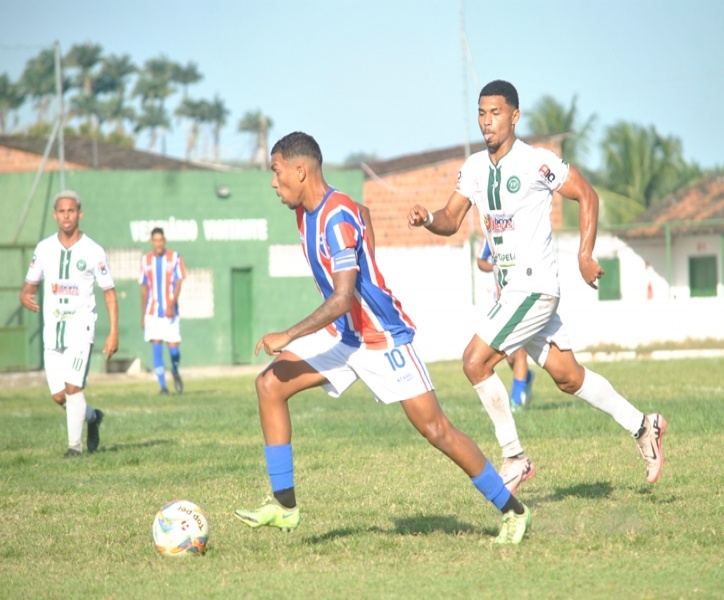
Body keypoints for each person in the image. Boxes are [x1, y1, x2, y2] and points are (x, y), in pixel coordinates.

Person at [234, 131, 531, 544]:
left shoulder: (335, 218)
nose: (272, 182)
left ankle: (513, 511)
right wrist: (368, 260)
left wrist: (288, 334)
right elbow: (366, 212)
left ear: (300, 171)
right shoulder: (308, 211)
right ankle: (284, 506)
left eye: (276, 171)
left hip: (383, 339)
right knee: (269, 384)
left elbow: (340, 299)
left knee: (437, 431)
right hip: (345, 337)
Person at [407, 80, 668, 491]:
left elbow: (587, 195)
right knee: (568, 377)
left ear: (514, 116)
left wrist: (584, 254)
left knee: (474, 362)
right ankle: (643, 425)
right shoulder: (475, 167)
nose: (486, 121)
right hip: (511, 290)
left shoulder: (536, 162)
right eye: (481, 113)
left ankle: (514, 457)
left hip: (534, 286)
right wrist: (428, 219)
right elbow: (451, 218)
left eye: (495, 113)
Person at [19, 190, 118, 457]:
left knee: (74, 388)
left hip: (80, 329)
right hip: (53, 331)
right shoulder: (44, 249)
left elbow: (109, 291)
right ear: (55, 215)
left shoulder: (93, 251)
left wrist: (113, 333)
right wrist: (25, 296)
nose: (66, 215)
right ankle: (93, 417)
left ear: (79, 214)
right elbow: (28, 287)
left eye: (71, 211)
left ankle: (74, 448)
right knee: (60, 396)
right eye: (61, 211)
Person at [475, 238, 535, 411]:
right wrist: (495, 268)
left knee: (520, 351)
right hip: (502, 302)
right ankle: (526, 378)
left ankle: (516, 402)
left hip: (523, 298)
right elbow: (480, 261)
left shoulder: (521, 232)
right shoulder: (491, 235)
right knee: (509, 356)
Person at [140, 227, 186, 395]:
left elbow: (179, 282)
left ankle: (175, 371)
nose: (158, 243)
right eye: (155, 240)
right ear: (152, 242)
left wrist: (171, 304)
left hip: (170, 312)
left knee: (174, 349)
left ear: (164, 240)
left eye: (161, 240)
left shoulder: (174, 258)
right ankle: (163, 387)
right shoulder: (145, 260)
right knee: (156, 346)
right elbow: (144, 288)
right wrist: (143, 314)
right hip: (152, 312)